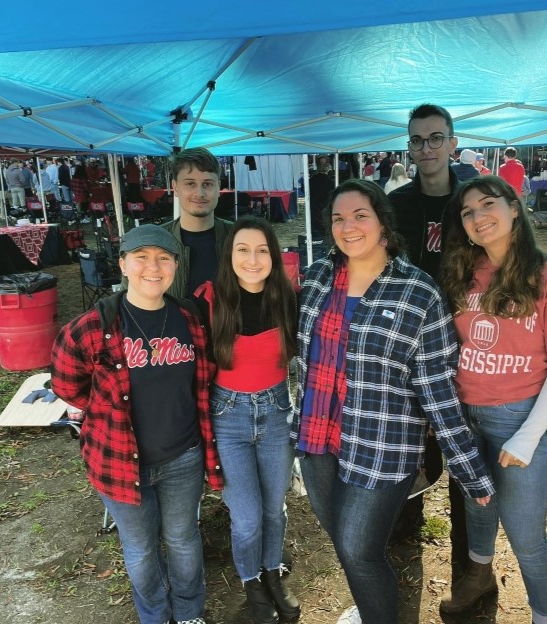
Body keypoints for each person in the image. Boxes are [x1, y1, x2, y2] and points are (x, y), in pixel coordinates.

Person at [291, 179, 495, 624]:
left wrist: (469, 470)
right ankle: (370, 608)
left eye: (360, 215)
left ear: (384, 222)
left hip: (381, 448)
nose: (349, 226)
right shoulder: (315, 278)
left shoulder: (417, 293)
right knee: (344, 543)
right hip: (316, 439)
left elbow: (438, 390)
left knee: (359, 551)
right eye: (339, 218)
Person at [50, 224, 222, 624]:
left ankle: (190, 612)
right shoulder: (92, 326)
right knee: (142, 549)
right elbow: (64, 381)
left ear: (176, 266)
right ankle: (155, 616)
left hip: (183, 456)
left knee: (182, 540)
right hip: (119, 464)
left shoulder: (190, 319)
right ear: (124, 264)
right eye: (141, 257)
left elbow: (205, 377)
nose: (153, 267)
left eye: (163, 258)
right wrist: (104, 413)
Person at [437, 176, 547, 624]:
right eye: (467, 212)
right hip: (467, 416)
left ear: (514, 208)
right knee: (477, 508)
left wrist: (529, 435)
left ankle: (545, 617)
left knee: (527, 537)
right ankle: (479, 576)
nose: (479, 217)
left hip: (520, 420)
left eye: (487, 205)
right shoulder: (465, 272)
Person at [205, 216, 300, 624]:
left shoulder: (287, 297)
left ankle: (273, 572)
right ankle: (252, 583)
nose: (253, 258)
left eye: (262, 250)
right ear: (229, 255)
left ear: (273, 257)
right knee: (246, 517)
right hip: (229, 417)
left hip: (277, 412)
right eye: (243, 249)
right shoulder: (209, 300)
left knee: (274, 509)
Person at [387, 103, 469, 576]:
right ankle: (405, 530)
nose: (427, 148)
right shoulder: (396, 206)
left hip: (468, 342)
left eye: (436, 137)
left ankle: (467, 556)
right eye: (418, 140)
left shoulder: (473, 199)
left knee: (461, 442)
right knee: (411, 442)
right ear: (409, 147)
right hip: (410, 344)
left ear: (453, 142)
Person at [159, 147, 234, 299]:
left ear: (218, 187)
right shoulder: (155, 241)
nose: (200, 193)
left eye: (207, 184)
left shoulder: (238, 238)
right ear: (175, 187)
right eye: (190, 184)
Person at [309, 155, 335, 239]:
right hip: (325, 210)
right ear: (328, 167)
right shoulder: (330, 182)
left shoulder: (311, 180)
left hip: (313, 210)